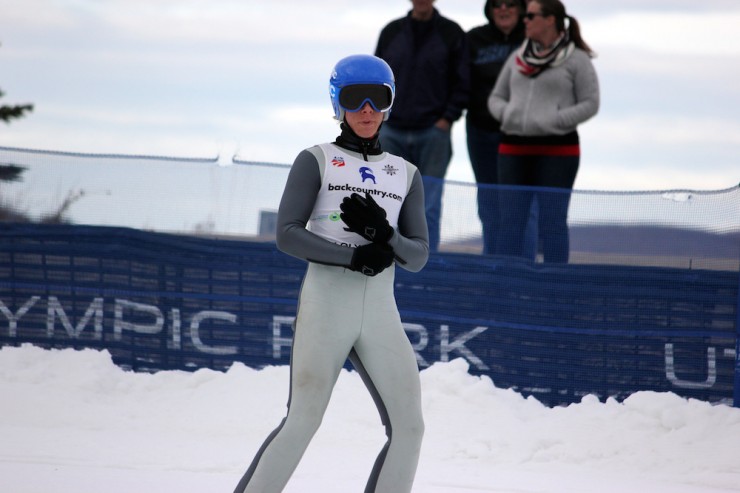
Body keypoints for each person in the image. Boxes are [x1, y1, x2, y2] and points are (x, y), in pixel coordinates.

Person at [233, 54, 429, 493]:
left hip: (380, 310)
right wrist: (350, 256)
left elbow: (417, 256)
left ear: (389, 103)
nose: (365, 110)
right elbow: (287, 233)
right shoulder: (316, 159)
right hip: (327, 303)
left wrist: (385, 236)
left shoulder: (405, 173)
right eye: (353, 98)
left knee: (410, 427)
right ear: (336, 103)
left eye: (376, 99)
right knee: (303, 420)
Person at [488, 0, 599, 263]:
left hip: (558, 150)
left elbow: (590, 103)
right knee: (511, 222)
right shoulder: (518, 56)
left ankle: (553, 289)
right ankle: (507, 286)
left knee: (552, 222)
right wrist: (508, 114)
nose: (524, 20)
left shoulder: (576, 59)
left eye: (531, 16)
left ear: (550, 20)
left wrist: (556, 119)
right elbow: (496, 97)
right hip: (513, 149)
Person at [375, 0, 469, 252]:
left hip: (433, 132)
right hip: (392, 130)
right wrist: (380, 118)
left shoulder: (451, 32)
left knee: (428, 205)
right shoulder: (392, 31)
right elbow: (377, 78)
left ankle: (424, 265)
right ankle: (386, 260)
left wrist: (446, 119)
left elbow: (463, 80)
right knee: (387, 200)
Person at [466, 0, 528, 256]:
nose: (504, 9)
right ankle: (492, 266)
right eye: (497, 4)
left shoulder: (531, 36)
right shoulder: (474, 39)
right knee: (489, 203)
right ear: (490, 10)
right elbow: (460, 80)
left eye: (511, 4)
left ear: (522, 8)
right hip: (482, 131)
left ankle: (524, 271)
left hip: (523, 134)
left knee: (524, 205)